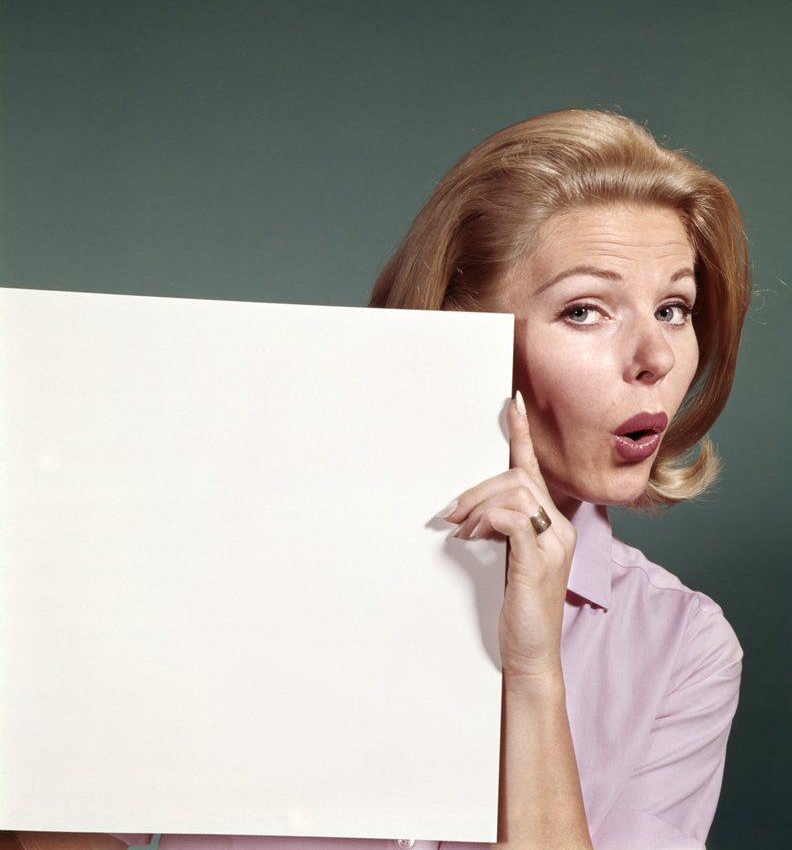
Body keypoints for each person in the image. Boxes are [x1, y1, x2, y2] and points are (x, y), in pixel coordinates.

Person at [14, 108, 751, 850]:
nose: (654, 356)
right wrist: (49, 646)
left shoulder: (683, 647)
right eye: (585, 310)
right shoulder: (248, 555)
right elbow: (69, 831)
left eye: (673, 308)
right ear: (457, 324)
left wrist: (533, 671)